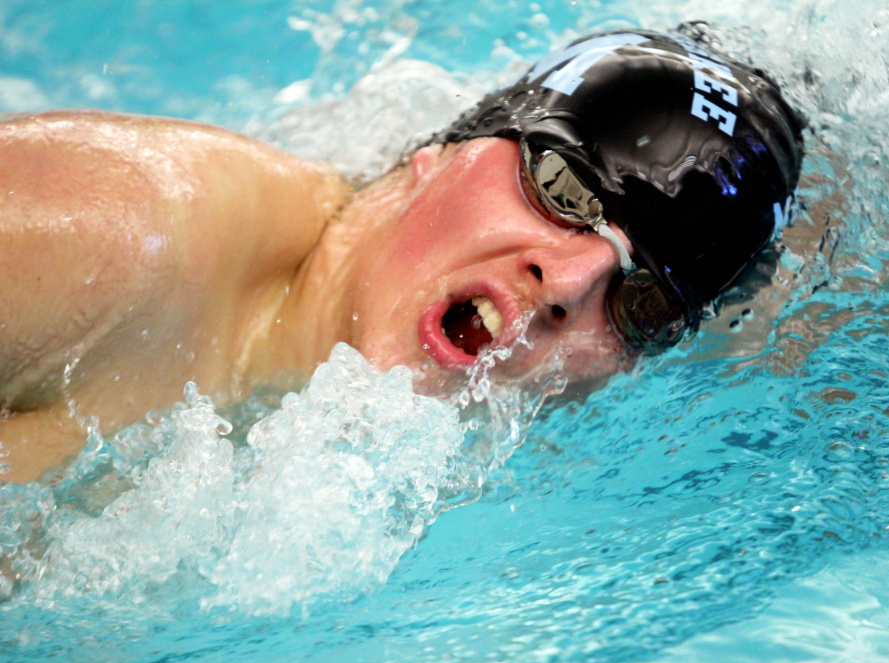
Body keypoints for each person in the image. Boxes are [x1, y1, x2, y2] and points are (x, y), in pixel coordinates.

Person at [0, 29, 804, 483]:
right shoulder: (119, 233)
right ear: (443, 151)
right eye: (561, 189)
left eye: (643, 305)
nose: (569, 282)